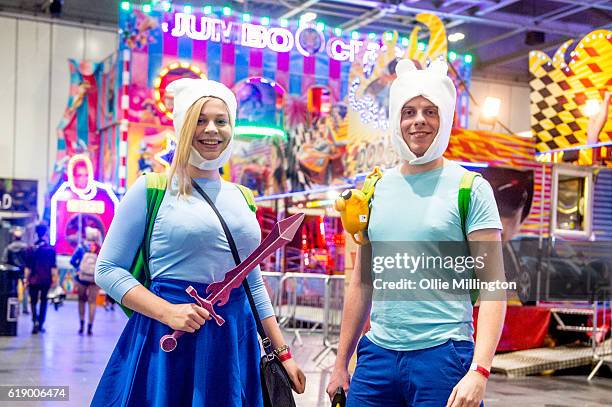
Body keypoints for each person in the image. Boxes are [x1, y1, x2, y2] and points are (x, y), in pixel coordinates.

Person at [92, 78, 306, 406]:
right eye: (201, 120)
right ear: (183, 126)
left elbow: (252, 281)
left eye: (221, 121)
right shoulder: (152, 189)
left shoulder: (244, 197)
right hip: (169, 335)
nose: (211, 130)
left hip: (234, 337)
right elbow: (107, 269)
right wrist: (168, 312)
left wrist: (282, 352)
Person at [326, 59, 507, 407]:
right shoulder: (375, 189)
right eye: (408, 111)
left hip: (444, 357)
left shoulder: (470, 188)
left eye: (430, 111)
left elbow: (493, 286)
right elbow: (362, 281)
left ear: (446, 118)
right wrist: (339, 363)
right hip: (377, 357)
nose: (418, 120)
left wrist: (479, 371)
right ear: (397, 119)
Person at [24, 224, 58, 334]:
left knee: (33, 301)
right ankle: (41, 323)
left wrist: (26, 280)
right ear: (46, 234)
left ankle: (34, 322)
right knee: (44, 301)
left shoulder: (31, 249)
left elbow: (28, 267)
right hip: (46, 280)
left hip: (33, 279)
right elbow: (53, 267)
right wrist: (54, 280)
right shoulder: (51, 250)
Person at [70, 227, 102, 335]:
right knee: (92, 302)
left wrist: (79, 269)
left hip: (82, 278)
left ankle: (81, 325)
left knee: (81, 301)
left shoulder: (81, 247)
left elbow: (72, 261)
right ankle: (90, 327)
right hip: (94, 279)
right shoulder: (99, 249)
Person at [2, 227, 29, 314]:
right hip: (23, 270)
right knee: (25, 289)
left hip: (12, 271)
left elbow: (4, 260)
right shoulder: (26, 247)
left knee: (14, 290)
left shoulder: (9, 248)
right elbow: (29, 259)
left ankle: (14, 309)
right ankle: (25, 308)